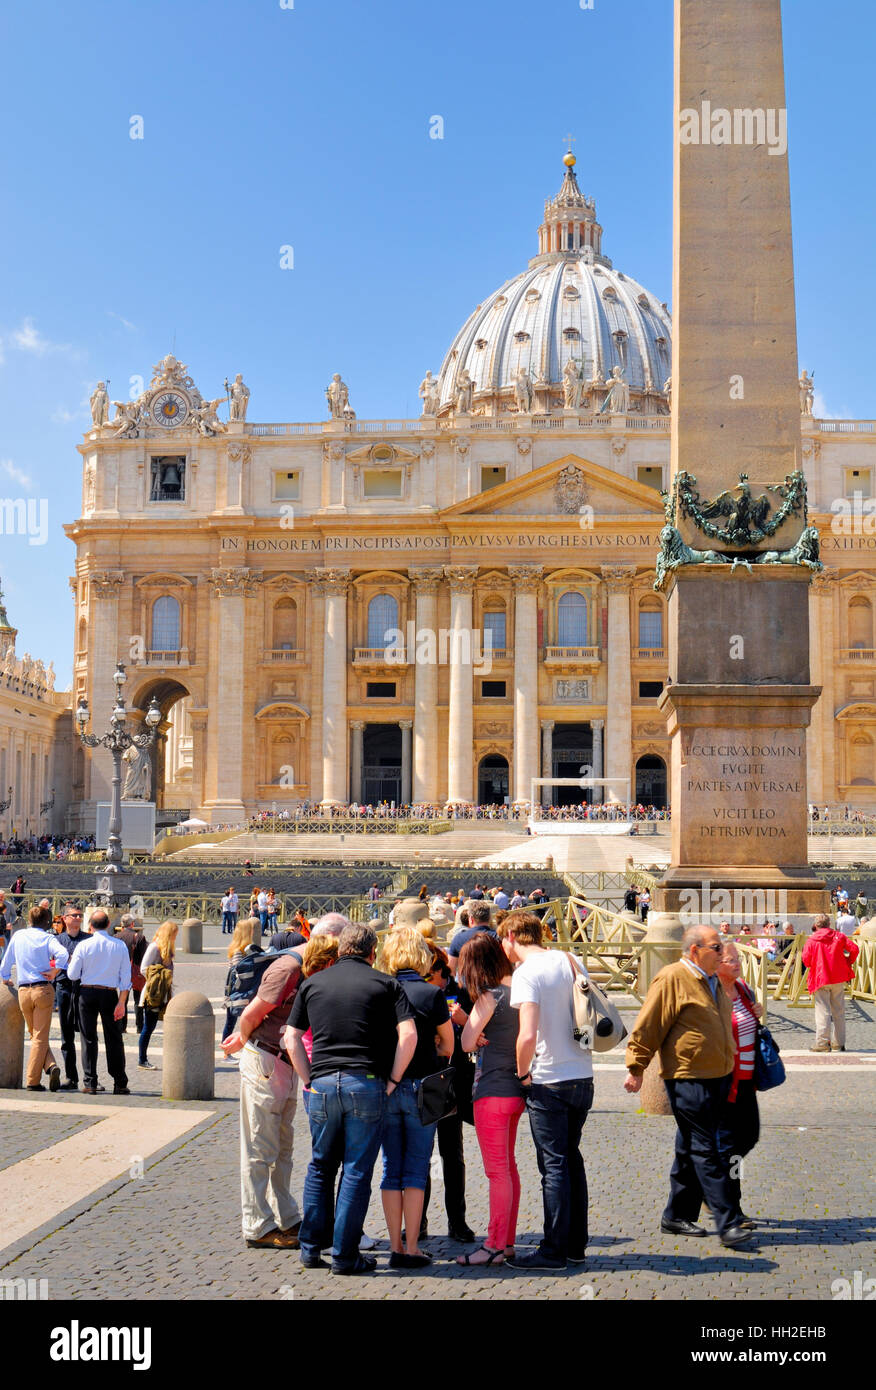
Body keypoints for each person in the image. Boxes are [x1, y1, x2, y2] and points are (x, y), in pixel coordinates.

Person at [285, 923, 417, 1275]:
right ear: (372, 952)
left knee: (320, 1166)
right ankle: (345, 1255)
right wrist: (393, 1079)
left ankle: (311, 1248)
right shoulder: (387, 984)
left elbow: (291, 1038)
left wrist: (308, 1078)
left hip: (324, 1084)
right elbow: (409, 1035)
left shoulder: (311, 983)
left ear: (340, 949)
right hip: (367, 1083)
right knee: (357, 1171)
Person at [623, 924, 752, 1248]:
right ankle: (728, 1221)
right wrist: (636, 1067)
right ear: (695, 950)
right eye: (716, 947)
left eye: (722, 947)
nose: (722, 953)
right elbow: (649, 1024)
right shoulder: (672, 978)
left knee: (688, 1146)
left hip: (718, 1076)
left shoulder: (712, 980)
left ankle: (676, 1215)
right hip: (687, 1077)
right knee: (705, 1149)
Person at [505, 911, 594, 1270]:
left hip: (549, 1079)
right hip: (581, 1075)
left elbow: (527, 1035)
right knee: (572, 1159)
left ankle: (554, 1249)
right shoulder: (571, 960)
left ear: (512, 935)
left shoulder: (527, 972)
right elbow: (586, 1018)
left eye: (503, 941)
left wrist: (523, 1074)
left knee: (554, 1165)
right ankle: (576, 1245)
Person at [222, 928, 306, 1250]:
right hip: (267, 1060)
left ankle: (286, 1215)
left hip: (284, 1061)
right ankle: (257, 1224)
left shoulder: (304, 969)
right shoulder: (286, 969)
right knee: (259, 1147)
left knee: (282, 1146)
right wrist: (242, 1039)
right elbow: (250, 1014)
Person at [378, 928, 453, 1269]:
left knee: (391, 1168)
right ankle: (411, 1245)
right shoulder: (430, 993)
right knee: (416, 1170)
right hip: (423, 1088)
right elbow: (449, 1046)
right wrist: (433, 1050)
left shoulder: (380, 989)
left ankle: (393, 1245)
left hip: (389, 1087)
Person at [456, 932, 524, 1266]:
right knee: (508, 1169)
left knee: (497, 1172)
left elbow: (467, 1042)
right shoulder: (519, 992)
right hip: (516, 1090)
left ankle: (495, 1244)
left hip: (491, 1091)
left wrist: (473, 1030)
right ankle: (507, 1241)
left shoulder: (490, 995)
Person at [420, 942, 474, 1243]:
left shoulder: (460, 993)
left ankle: (458, 1222)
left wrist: (463, 1021)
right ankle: (420, 1221)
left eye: (428, 974)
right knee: (421, 1157)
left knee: (452, 1155)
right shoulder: (414, 991)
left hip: (452, 1083)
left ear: (440, 970)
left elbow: (479, 1036)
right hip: (425, 1083)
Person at [715, 942, 763, 1228]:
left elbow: (751, 1028)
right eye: (731, 960)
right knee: (730, 1148)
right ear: (717, 964)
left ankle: (711, 1179)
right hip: (724, 1082)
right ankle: (731, 1208)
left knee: (749, 1138)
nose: (737, 964)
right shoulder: (712, 993)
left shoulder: (743, 989)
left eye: (738, 960)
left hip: (747, 1081)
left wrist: (756, 1012)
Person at [0, 903, 66, 1091]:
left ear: (29, 920)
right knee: (39, 1037)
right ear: (46, 921)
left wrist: (6, 979)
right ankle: (33, 1080)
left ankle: (51, 1065)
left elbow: (5, 963)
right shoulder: (47, 938)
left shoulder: (19, 936)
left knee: (35, 1034)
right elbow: (62, 954)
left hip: (23, 991)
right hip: (42, 990)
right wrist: (55, 971)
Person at [67, 908, 131, 1096]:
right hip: (110, 994)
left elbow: (72, 974)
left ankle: (90, 1081)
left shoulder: (83, 946)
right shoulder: (119, 946)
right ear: (109, 924)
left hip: (86, 993)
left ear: (90, 926)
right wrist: (122, 1003)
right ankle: (119, 1082)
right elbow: (126, 979)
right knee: (114, 1038)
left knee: (88, 1038)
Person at [803, 914, 860, 1053]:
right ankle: (838, 1043)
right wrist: (847, 962)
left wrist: (814, 963)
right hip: (838, 977)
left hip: (821, 977)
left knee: (823, 1011)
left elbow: (806, 960)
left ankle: (822, 1042)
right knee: (839, 1010)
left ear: (816, 926)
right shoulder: (839, 936)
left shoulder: (812, 940)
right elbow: (854, 949)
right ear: (829, 924)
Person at [55, 903, 87, 1089]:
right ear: (64, 918)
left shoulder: (88, 939)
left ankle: (90, 1077)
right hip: (64, 987)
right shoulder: (57, 940)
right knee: (66, 1035)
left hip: (83, 988)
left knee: (86, 1034)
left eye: (79, 915)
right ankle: (71, 1077)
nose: (77, 918)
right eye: (73, 915)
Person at [138, 920, 177, 1070]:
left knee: (154, 1025)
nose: (175, 937)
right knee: (148, 1027)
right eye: (174, 934)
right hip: (153, 993)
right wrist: (160, 975)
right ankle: (142, 1059)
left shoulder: (165, 947)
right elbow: (143, 969)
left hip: (163, 993)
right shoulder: (155, 947)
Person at [222, 917, 262, 1044]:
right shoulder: (239, 952)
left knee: (232, 1022)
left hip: (238, 991)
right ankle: (226, 1051)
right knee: (231, 1023)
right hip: (237, 991)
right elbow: (237, 972)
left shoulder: (239, 949)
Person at [115, 913, 147, 1034]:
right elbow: (144, 956)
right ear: (132, 924)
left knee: (122, 999)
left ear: (122, 924)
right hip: (136, 973)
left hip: (121, 972)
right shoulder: (139, 937)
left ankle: (122, 1026)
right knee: (138, 1000)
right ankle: (140, 1027)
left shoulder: (116, 937)